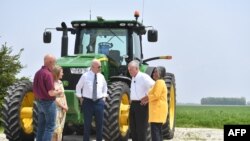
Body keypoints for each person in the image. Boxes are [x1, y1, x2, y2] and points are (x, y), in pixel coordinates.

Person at [75, 59, 108, 141]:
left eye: (100, 66)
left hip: (99, 102)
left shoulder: (101, 76)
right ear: (93, 67)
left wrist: (104, 98)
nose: (100, 68)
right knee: (87, 125)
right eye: (99, 66)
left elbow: (105, 88)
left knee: (100, 125)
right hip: (87, 102)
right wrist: (80, 97)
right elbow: (78, 87)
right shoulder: (85, 76)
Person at [33, 54, 63, 141]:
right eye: (55, 62)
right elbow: (50, 93)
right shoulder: (48, 74)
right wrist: (59, 92)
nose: (55, 65)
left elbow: (35, 88)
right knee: (50, 127)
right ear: (50, 62)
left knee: (41, 127)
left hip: (40, 102)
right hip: (49, 103)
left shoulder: (38, 73)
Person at [127, 60, 155, 141]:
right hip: (133, 105)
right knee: (133, 129)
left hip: (142, 106)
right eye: (128, 69)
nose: (129, 71)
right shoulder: (133, 77)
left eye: (131, 69)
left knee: (141, 130)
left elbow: (155, 86)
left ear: (136, 68)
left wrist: (148, 97)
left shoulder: (143, 77)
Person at [141, 67, 168, 141]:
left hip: (157, 111)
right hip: (158, 111)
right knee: (158, 132)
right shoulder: (160, 82)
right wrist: (147, 100)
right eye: (154, 72)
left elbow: (156, 95)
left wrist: (146, 98)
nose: (153, 73)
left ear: (160, 73)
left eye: (156, 72)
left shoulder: (159, 82)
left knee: (155, 134)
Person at [52, 65, 68, 141]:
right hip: (56, 109)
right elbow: (55, 99)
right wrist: (63, 106)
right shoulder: (52, 84)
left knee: (60, 130)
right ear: (57, 73)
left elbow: (63, 95)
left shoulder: (60, 83)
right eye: (61, 72)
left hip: (62, 110)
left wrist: (66, 105)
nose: (63, 74)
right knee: (55, 131)